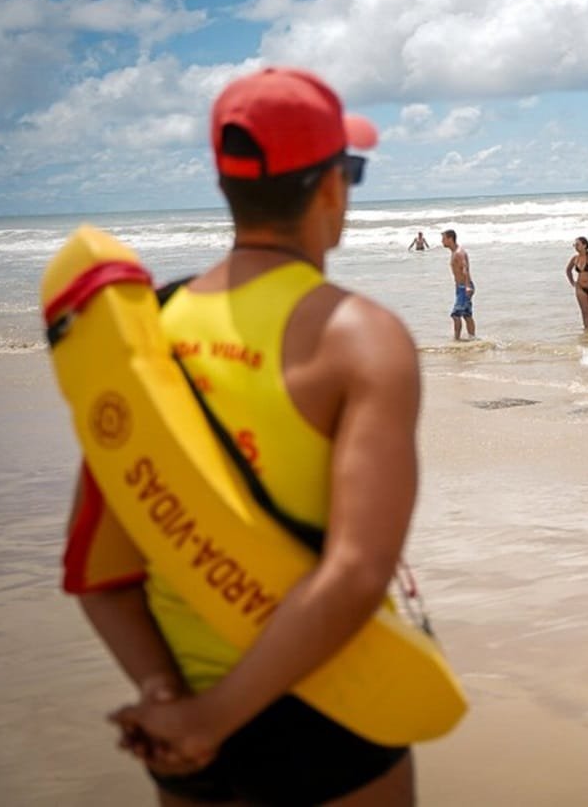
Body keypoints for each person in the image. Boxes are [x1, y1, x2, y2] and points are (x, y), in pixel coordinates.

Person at [65, 67, 422, 803]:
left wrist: (173, 702)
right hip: (339, 704)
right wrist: (209, 720)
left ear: (228, 186)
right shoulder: (360, 338)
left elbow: (97, 568)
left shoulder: (145, 332)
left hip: (189, 717)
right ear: (332, 186)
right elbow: (355, 573)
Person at [440, 229, 475, 339]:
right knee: (466, 315)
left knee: (455, 315)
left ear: (450, 239)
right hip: (462, 287)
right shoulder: (455, 252)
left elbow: (465, 269)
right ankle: (472, 338)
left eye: (443, 239)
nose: (442, 241)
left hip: (464, 287)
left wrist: (468, 286)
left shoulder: (459, 253)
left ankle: (457, 339)